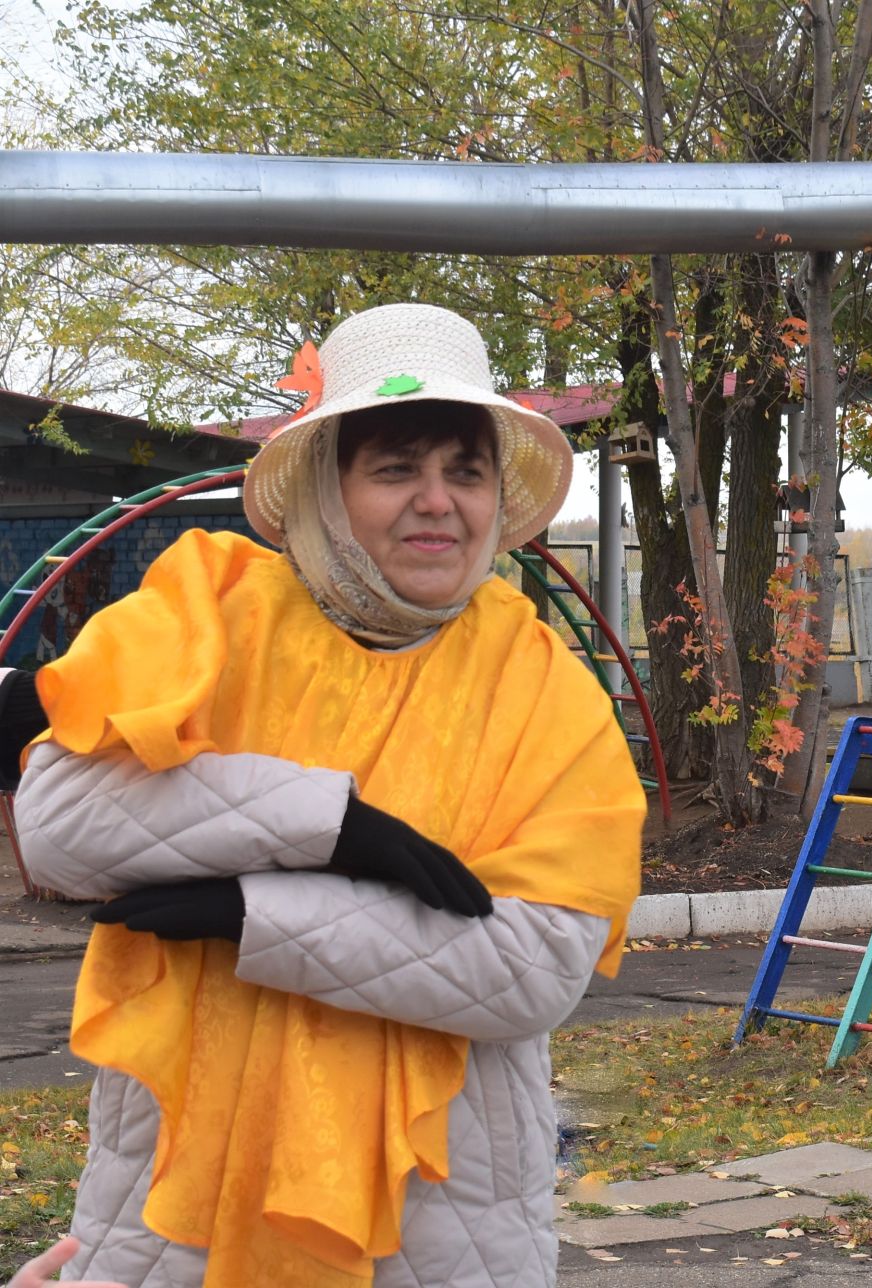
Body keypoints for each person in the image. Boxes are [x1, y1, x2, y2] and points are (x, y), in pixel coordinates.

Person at [13, 303, 644, 1288]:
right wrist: (331, 825)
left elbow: (535, 962)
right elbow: (57, 826)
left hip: (442, 1230)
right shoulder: (207, 615)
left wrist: (253, 913)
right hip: (177, 1215)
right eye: (396, 468)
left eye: (464, 470)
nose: (437, 501)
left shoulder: (542, 685)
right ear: (329, 485)